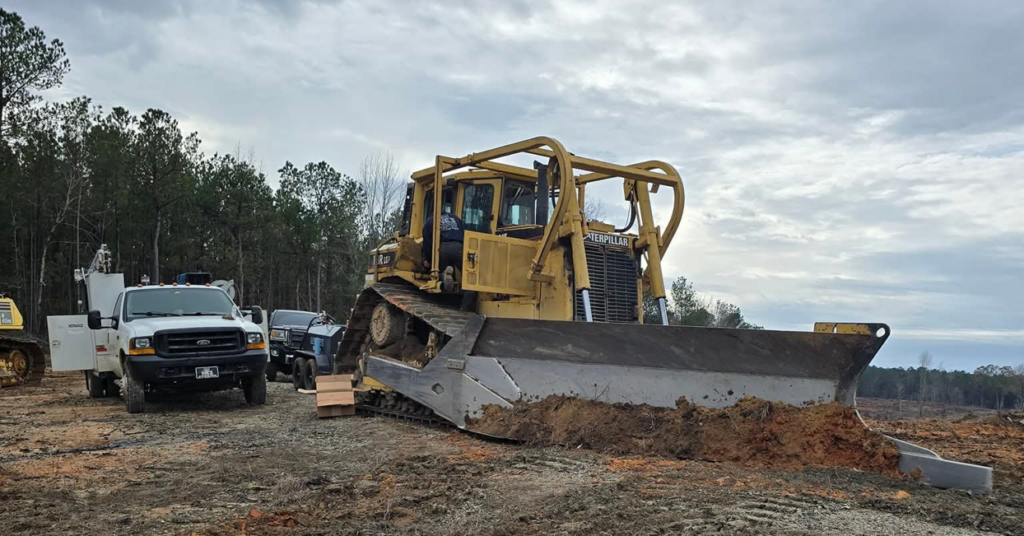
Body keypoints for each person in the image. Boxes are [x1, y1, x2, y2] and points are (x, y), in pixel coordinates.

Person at [422, 211, 464, 292]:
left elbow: (427, 243)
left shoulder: (430, 221)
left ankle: (444, 274)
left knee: (438, 272)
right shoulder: (456, 219)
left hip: (443, 248)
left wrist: (429, 259)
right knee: (466, 275)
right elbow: (463, 234)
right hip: (458, 247)